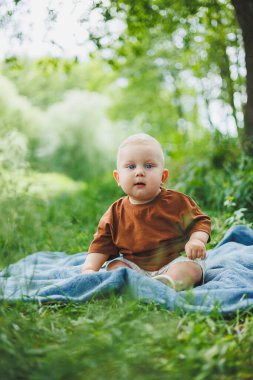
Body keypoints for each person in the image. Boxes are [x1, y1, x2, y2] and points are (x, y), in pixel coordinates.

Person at [82, 133, 211, 291]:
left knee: (192, 267)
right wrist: (89, 269)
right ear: (118, 178)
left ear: (163, 176)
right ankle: (133, 282)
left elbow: (200, 222)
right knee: (115, 265)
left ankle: (168, 283)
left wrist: (197, 240)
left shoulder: (177, 202)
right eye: (131, 167)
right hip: (134, 266)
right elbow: (101, 245)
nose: (139, 172)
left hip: (172, 262)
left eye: (148, 166)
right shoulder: (115, 213)